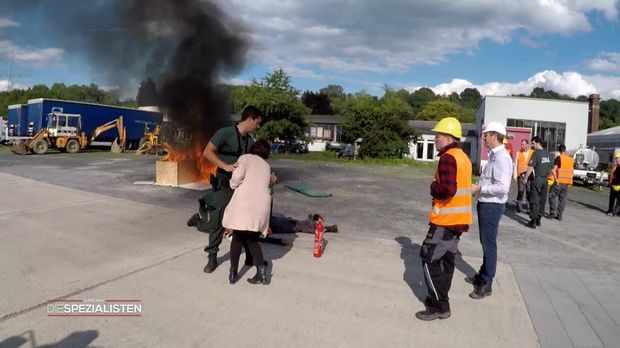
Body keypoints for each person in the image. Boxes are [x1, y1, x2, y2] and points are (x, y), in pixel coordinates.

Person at [415, 117, 472, 321]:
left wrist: (433, 187)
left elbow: (447, 190)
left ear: (447, 137)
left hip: (446, 221)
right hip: (459, 221)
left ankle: (440, 305)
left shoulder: (448, 158)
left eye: (437, 135)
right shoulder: (463, 157)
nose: (435, 139)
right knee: (447, 261)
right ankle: (440, 298)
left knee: (428, 258)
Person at [201, 105, 264, 273]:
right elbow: (207, 152)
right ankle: (212, 257)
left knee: (243, 222)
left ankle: (249, 254)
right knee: (217, 220)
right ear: (250, 119)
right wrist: (225, 166)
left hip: (241, 188)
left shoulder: (249, 142)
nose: (258, 127)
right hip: (223, 186)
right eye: (257, 123)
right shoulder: (225, 133)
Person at [222, 139, 276, 285]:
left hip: (245, 204)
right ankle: (261, 272)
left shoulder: (244, 158)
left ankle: (233, 273)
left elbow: (237, 176)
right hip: (261, 206)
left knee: (238, 237)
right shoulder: (266, 165)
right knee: (252, 239)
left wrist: (232, 184)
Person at [468, 122, 512, 299]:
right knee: (486, 242)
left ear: (494, 136)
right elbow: (489, 180)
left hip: (492, 206)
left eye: (485, 134)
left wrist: (480, 189)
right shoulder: (495, 155)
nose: (483, 137)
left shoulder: (501, 157)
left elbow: (503, 187)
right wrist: (478, 188)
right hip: (487, 204)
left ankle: (486, 283)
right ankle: (482, 275)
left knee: (488, 244)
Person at [522, 136, 553, 229]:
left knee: (534, 200)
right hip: (545, 180)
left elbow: (531, 167)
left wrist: (525, 178)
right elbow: (551, 169)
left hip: (537, 180)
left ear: (538, 142)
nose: (532, 145)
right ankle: (539, 219)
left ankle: (533, 221)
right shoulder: (548, 154)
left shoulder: (536, 154)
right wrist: (546, 177)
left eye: (533, 143)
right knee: (542, 200)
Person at [547, 144, 574, 221]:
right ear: (565, 150)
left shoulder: (559, 158)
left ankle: (552, 213)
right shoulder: (571, 159)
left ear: (559, 151)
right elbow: (572, 171)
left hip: (558, 182)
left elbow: (553, 170)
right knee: (562, 200)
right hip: (566, 183)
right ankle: (559, 216)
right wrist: (570, 182)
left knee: (552, 196)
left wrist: (555, 179)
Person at [513, 139, 533, 213]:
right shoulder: (519, 153)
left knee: (529, 192)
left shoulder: (532, 153)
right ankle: (519, 207)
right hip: (521, 177)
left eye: (523, 144)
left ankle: (528, 208)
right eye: (521, 144)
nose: (521, 146)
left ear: (527, 145)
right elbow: (515, 165)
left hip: (530, 177)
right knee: (520, 192)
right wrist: (514, 176)